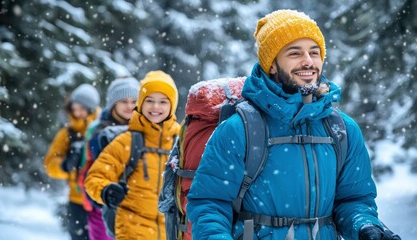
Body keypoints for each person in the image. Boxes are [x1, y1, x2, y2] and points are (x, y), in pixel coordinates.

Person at [186, 9, 401, 240]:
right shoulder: (240, 128)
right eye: (295, 53)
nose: (308, 61)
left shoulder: (342, 129)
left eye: (314, 52)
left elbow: (354, 199)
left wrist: (365, 226)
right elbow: (210, 205)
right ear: (272, 65)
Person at [84, 70, 181, 240]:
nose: (156, 107)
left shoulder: (181, 143)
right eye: (149, 101)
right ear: (141, 104)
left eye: (163, 102)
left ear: (172, 106)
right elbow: (94, 178)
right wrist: (106, 191)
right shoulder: (127, 141)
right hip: (131, 230)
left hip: (170, 232)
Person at [78, 77, 140, 240]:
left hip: (134, 203)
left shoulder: (144, 129)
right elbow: (91, 166)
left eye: (134, 101)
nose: (129, 106)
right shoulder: (100, 130)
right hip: (103, 200)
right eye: (123, 101)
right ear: (113, 104)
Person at [44, 83, 100, 240]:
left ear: (91, 109)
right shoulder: (67, 133)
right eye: (74, 108)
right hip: (76, 198)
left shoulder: (102, 129)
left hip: (99, 197)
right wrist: (64, 165)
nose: (77, 113)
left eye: (81, 109)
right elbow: (49, 164)